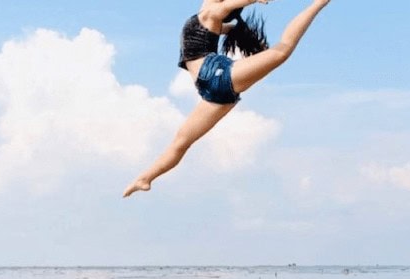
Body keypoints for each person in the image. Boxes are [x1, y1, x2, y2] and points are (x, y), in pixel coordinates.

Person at [123, 0, 333, 198]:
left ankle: (319, 3)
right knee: (180, 142)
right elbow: (232, 23)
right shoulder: (209, 17)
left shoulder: (210, 14)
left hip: (215, 77)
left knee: (283, 50)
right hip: (214, 91)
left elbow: (230, 6)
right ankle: (145, 178)